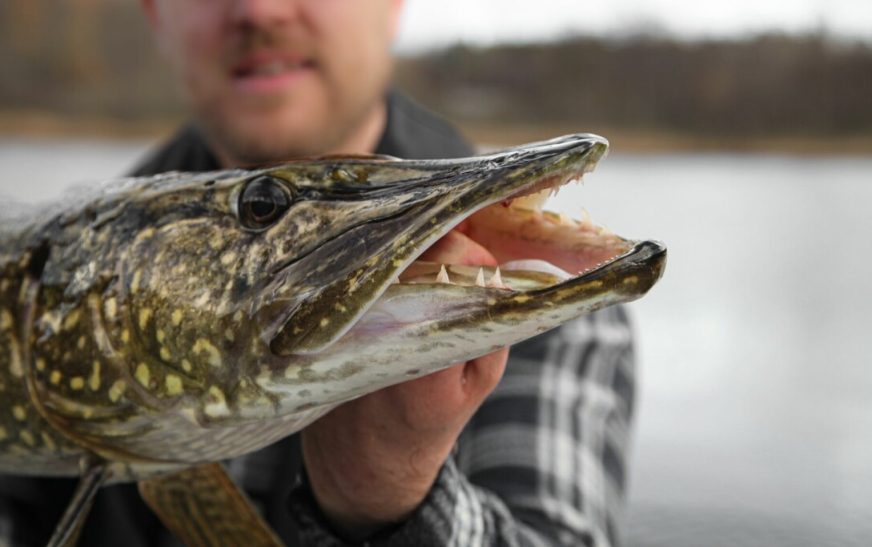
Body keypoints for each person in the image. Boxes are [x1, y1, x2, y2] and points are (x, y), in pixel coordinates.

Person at [0, 1, 637, 545]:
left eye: (265, 207)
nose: (258, 10)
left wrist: (388, 500)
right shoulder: (83, 254)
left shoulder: (535, 279)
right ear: (155, 15)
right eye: (262, 210)